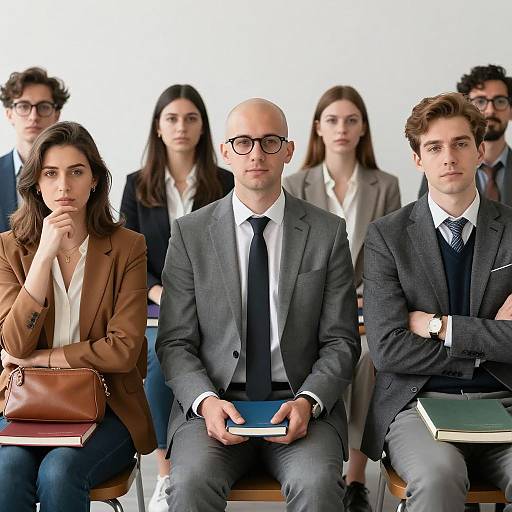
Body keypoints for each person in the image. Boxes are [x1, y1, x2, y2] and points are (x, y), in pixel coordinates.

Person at [156, 98, 361, 512]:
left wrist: (308, 401)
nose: (256, 154)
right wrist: (206, 402)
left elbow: (341, 341)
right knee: (190, 484)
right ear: (225, 152)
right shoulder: (190, 234)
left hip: (300, 407)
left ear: (288, 150)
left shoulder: (327, 232)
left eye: (269, 142)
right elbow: (174, 342)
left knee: (320, 485)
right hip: (214, 407)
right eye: (244, 142)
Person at [362, 92, 512, 512]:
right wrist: (486, 346)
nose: (449, 157)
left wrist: (439, 327)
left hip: (506, 402)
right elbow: (389, 347)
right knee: (438, 479)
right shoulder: (386, 237)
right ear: (417, 159)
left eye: (461, 143)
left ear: (480, 151)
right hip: (419, 404)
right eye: (434, 147)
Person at [0, 121, 157, 511]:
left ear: (94, 180)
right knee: (7, 470)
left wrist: (43, 359)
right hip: (27, 406)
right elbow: (14, 342)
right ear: (36, 183)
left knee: (60, 470)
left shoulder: (128, 247)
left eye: (76, 172)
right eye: (50, 174)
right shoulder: (8, 249)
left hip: (108, 407)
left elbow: (123, 350)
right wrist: (43, 256)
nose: (63, 186)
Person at [284, 85, 400, 512]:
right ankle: (319, 470)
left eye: (351, 120)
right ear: (318, 128)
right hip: (312, 310)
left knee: (370, 357)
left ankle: (355, 480)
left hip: (369, 307)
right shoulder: (296, 183)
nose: (342, 129)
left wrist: (366, 302)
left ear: (363, 128)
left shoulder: (384, 185)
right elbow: (291, 263)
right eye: (332, 120)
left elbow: (388, 260)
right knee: (326, 355)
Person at [120, 83, 234, 512]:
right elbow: (128, 252)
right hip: (155, 305)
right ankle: (167, 475)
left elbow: (233, 252)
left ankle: (204, 460)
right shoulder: (136, 185)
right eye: (172, 118)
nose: (181, 127)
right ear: (158, 127)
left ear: (203, 127)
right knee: (155, 357)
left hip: (214, 303)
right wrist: (156, 289)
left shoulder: (224, 181)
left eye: (190, 118)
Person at [418, 64, 512, 203]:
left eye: (500, 101)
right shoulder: (443, 170)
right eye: (480, 101)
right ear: (466, 111)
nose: (491, 110)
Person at [0, 67, 69, 232]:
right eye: (23, 106)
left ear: (56, 114)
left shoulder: (74, 172)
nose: (33, 116)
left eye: (43, 107)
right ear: (9, 114)